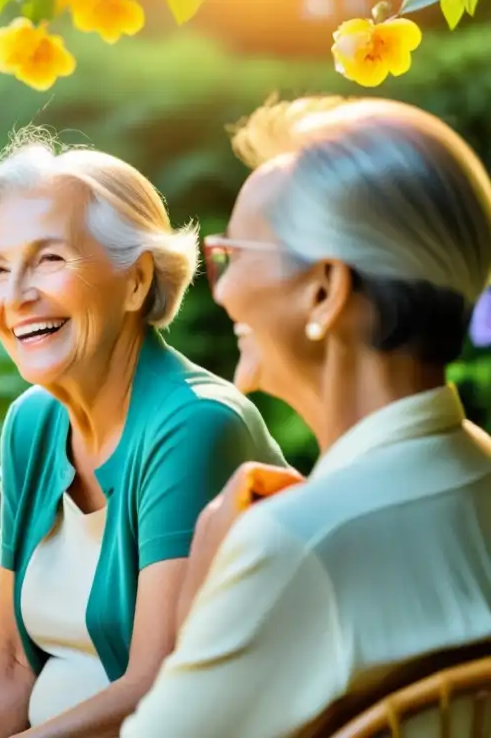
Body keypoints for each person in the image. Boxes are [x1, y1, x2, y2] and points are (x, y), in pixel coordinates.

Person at [0, 130, 287, 738]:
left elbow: (157, 689)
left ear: (137, 281)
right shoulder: (32, 424)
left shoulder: (194, 426)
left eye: (49, 259)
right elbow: (11, 668)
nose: (16, 297)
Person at [121, 96, 491, 737]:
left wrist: (207, 580)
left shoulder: (297, 544)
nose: (223, 288)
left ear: (324, 290)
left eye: (232, 256)